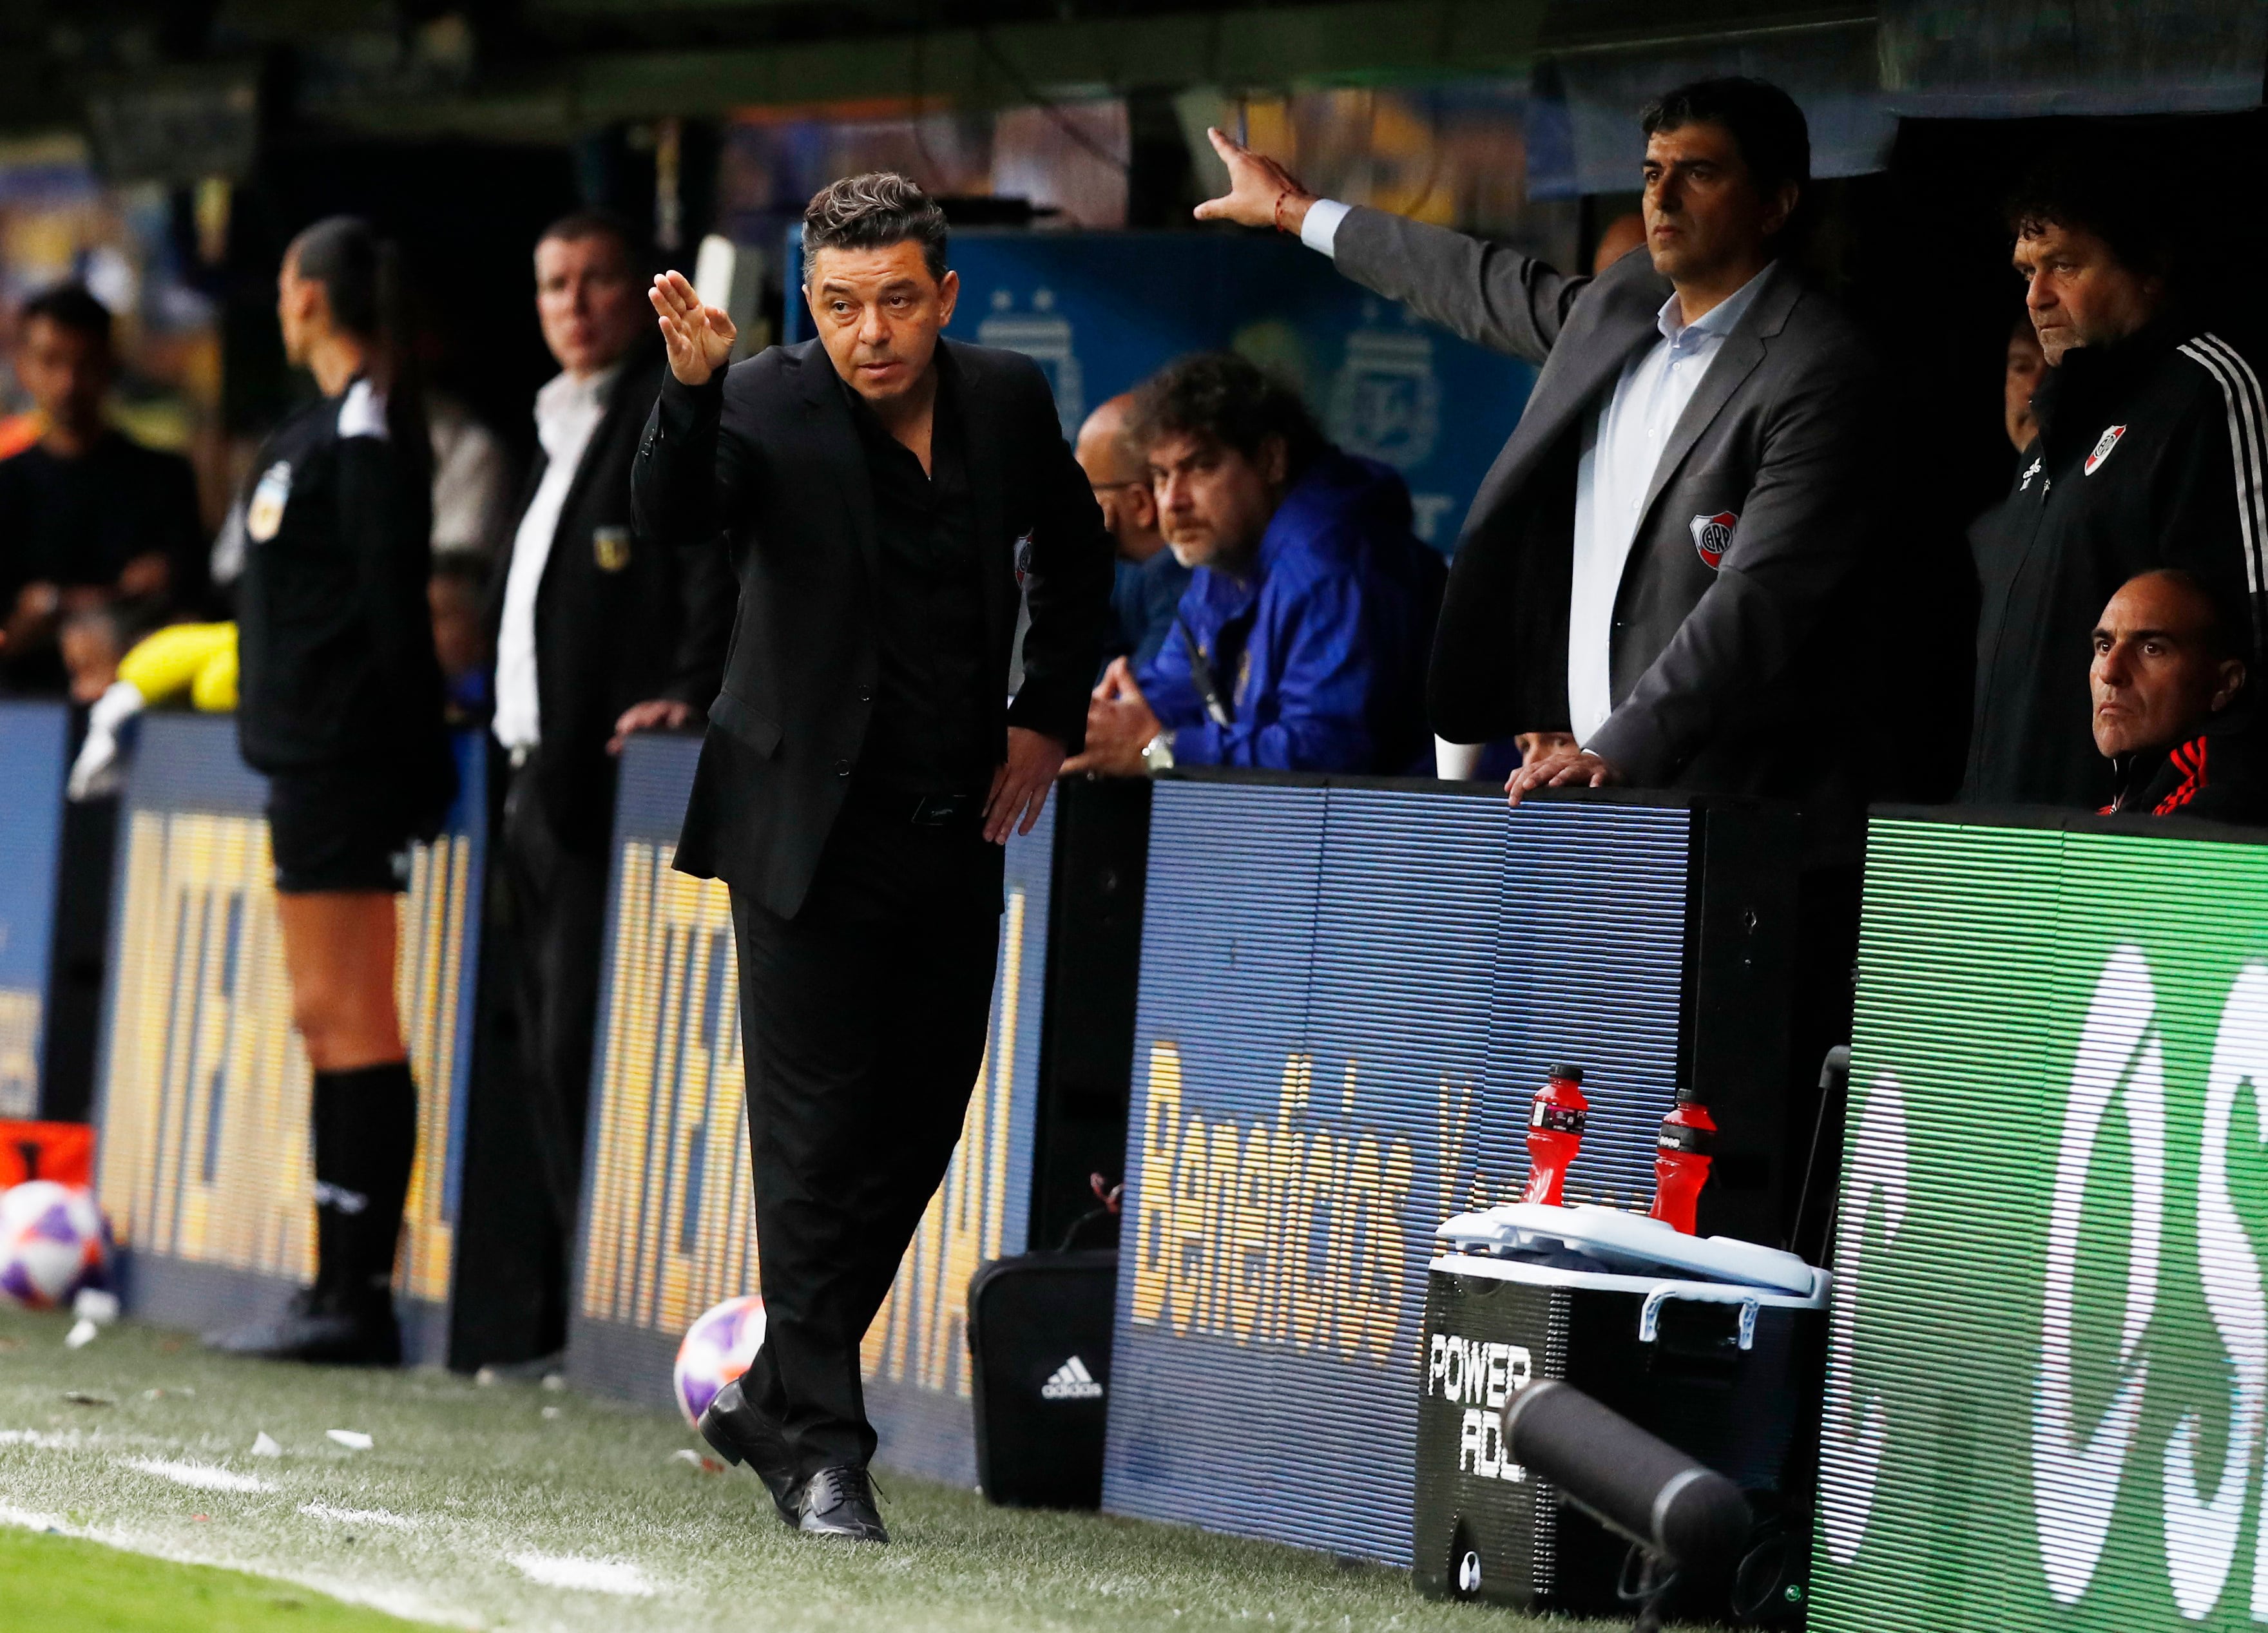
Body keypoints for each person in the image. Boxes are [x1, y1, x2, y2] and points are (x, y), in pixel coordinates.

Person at [631, 173, 1111, 1542]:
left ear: (944, 297)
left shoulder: (1007, 402)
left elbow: (1074, 563)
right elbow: (674, 514)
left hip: (955, 823)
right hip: (800, 835)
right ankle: (825, 1453)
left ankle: (772, 1389)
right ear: (810, 306)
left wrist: (1040, 719)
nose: (869, 334)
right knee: (813, 1136)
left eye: (896, 301)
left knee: (919, 1120)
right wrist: (688, 391)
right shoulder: (767, 400)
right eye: (840, 306)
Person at [1196, 78, 1876, 817]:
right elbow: (1471, 282)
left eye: (1700, 173)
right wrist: (1294, 212)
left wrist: (1616, 749)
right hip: (1592, 788)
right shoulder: (1623, 303)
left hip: (1734, 803)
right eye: (1653, 173)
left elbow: (1757, 599)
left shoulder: (1817, 367)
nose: (1663, 197)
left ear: (1775, 204)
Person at [204, 217, 455, 1365]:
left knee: (353, 1016)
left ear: (305, 296)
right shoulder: (313, 428)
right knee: (326, 1016)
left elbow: (394, 615)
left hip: (345, 765)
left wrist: (411, 761)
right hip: (308, 764)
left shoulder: (362, 432)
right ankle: (333, 1281)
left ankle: (355, 1293)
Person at [488, 207, 731, 1353]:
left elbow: (703, 558)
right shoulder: (551, 424)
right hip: (530, 770)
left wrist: (689, 681)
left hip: (612, 778)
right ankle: (561, 1308)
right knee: (539, 1043)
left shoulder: (658, 410)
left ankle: (603, 1321)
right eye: (552, 283)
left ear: (642, 293)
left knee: (588, 1045)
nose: (572, 304)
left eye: (594, 281)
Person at [1961, 153, 2264, 808]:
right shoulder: (2046, 441)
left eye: (2064, 265)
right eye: (2027, 270)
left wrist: (2171, 834)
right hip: (2008, 846)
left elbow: (2252, 652)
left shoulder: (2207, 396)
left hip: (2127, 867)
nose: (2035, 296)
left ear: (2149, 272)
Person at [1066, 352, 1439, 775]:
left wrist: (1158, 749)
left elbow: (1327, 754)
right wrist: (1092, 722)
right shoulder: (1228, 557)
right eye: (1161, 476)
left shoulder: (1329, 563)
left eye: (1200, 467)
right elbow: (1174, 688)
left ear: (1270, 460)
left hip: (1424, 831)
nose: (1173, 501)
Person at [0, 283, 204, 693]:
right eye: (51, 362)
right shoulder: (7, 486)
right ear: (24, 366)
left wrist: (54, 604)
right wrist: (116, 598)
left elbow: (191, 609)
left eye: (85, 364)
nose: (69, 383)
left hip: (139, 715)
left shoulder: (165, 478)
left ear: (110, 365)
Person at [2091, 569, 2262, 821]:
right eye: (2105, 646)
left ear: (2225, 684)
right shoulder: (2133, 799)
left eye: (2151, 649)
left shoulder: (2225, 799)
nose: (2109, 671)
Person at [1076, 392, 1189, 671]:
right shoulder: (1134, 574)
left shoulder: (1176, 577)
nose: (1071, 503)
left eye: (1084, 489)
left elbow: (1126, 704)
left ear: (1139, 504)